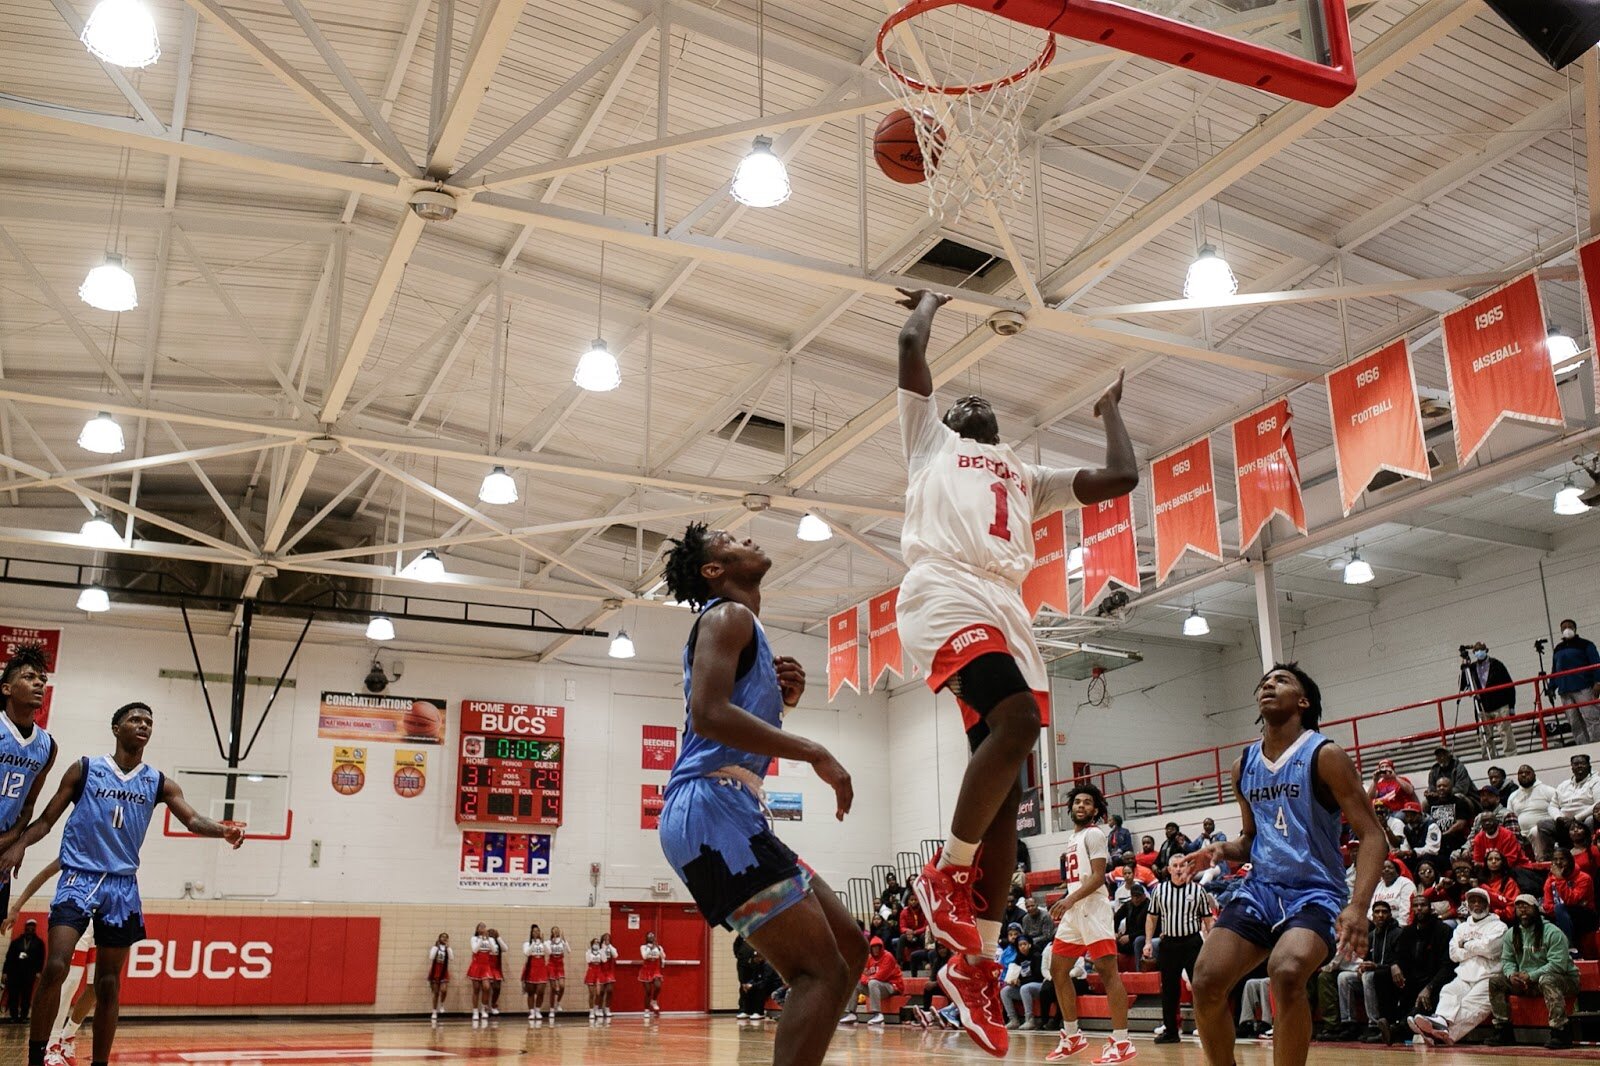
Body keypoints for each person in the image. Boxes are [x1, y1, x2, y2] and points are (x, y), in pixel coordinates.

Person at [892, 288, 1136, 1061]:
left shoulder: (1026, 474)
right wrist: (929, 302)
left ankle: (977, 966)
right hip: (943, 586)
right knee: (1021, 725)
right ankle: (944, 876)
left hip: (1007, 609)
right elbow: (907, 349)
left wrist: (1109, 414)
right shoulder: (928, 441)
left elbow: (1122, 478)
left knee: (1011, 793)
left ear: (1001, 429)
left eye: (982, 402)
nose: (969, 401)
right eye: (961, 399)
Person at [654, 523, 864, 1066]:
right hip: (710, 809)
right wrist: (814, 750)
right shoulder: (728, 615)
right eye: (728, 539)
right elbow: (708, 714)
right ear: (713, 571)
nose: (746, 537)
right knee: (820, 971)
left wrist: (781, 703)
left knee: (848, 949)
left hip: (727, 808)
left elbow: (725, 722)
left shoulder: (745, 629)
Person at [0, 701, 244, 1066]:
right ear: (117, 728)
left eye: (149, 721)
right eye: (135, 719)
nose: (143, 725)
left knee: (108, 984)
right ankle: (38, 1056)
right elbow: (48, 820)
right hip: (78, 880)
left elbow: (192, 820)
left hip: (121, 887)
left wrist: (222, 831)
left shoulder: (158, 781)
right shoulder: (85, 769)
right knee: (55, 966)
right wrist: (19, 844)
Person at [1173, 663, 1386, 1066]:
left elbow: (1374, 834)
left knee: (1286, 972)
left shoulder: (1325, 755)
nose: (1268, 684)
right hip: (1262, 888)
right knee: (1205, 979)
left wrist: (1358, 906)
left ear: (1303, 701)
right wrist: (1223, 850)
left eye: (1281, 680)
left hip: (1315, 891)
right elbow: (1253, 839)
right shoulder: (1243, 765)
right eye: (1264, 682)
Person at [1045, 784, 1136, 1064]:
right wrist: (1068, 900)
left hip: (1093, 908)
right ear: (1071, 808)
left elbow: (1098, 877)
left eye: (1087, 803)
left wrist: (1069, 900)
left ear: (1096, 810)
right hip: (1076, 910)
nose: (1081, 806)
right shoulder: (1073, 837)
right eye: (1077, 802)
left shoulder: (1095, 834)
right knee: (1057, 970)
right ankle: (1072, 1036)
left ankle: (1122, 1042)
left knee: (1108, 973)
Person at [3, 859, 95, 1065]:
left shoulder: (118, 847)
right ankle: (52, 1044)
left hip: (106, 913)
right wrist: (17, 907)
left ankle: (68, 1035)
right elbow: (45, 873)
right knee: (68, 982)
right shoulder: (78, 848)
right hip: (78, 911)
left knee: (97, 986)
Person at [0, 648, 59, 919]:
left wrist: (15, 840)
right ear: (7, 689)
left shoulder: (47, 746)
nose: (39, 683)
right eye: (29, 677)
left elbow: (29, 803)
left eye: (42, 679)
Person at [1408, 887, 1506, 1045]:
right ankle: (1439, 1023)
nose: (1476, 905)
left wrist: (1465, 944)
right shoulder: (1461, 928)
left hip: (1488, 976)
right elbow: (1454, 954)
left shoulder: (1499, 927)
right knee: (1449, 991)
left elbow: (1489, 949)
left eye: (1480, 901)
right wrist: (1476, 948)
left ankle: (1439, 1036)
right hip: (1464, 975)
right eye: (1472, 901)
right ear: (1467, 905)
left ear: (1488, 904)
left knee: (1471, 1006)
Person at [1485, 895, 1581, 1048]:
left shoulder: (1552, 932)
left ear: (1536, 909)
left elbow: (1558, 965)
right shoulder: (1511, 934)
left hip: (1564, 980)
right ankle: (1503, 1030)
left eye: (1527, 906)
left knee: (1547, 980)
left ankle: (1560, 1031)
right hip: (1527, 982)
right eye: (1518, 906)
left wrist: (1531, 975)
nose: (1522, 910)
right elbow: (1507, 960)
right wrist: (1511, 975)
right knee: (1496, 982)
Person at [1144, 867, 1216, 1045]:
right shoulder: (1159, 890)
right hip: (1169, 944)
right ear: (1168, 869)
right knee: (1169, 990)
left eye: (1181, 866)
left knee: (1199, 988)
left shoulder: (1198, 890)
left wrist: (1213, 944)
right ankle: (1171, 1031)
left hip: (1192, 943)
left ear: (1187, 869)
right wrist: (1147, 942)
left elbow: (1208, 919)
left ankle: (1207, 1029)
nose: (1178, 869)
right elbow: (1152, 917)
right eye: (1174, 866)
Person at [1369, 902, 1453, 1045]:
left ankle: (1395, 1031)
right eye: (1416, 905)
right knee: (1381, 975)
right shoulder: (1408, 931)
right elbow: (1398, 955)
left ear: (1430, 908)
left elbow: (1447, 966)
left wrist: (1429, 987)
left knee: (1423, 999)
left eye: (1423, 905)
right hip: (1412, 980)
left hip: (1434, 981)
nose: (1419, 908)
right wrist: (1395, 965)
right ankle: (1386, 1023)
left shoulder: (1443, 930)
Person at [1352, 901, 1403, 1043]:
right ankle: (1347, 1023)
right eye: (1377, 912)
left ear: (1390, 915)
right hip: (1375, 973)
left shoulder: (1398, 933)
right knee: (1344, 978)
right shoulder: (1371, 935)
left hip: (1389, 976)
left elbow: (1398, 964)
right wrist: (1361, 967)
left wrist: (1375, 966)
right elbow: (1366, 959)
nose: (1380, 915)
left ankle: (1374, 1025)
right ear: (1372, 915)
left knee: (1368, 977)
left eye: (1384, 912)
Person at [1547, 619, 1600, 745]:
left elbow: (1596, 663)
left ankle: (1597, 743)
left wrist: (1598, 682)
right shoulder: (1558, 649)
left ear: (1575, 629)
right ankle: (1582, 746)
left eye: (1569, 626)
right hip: (1565, 691)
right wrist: (1551, 686)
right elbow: (1555, 669)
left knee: (1591, 717)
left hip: (1584, 688)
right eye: (1564, 627)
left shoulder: (1586, 644)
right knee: (1574, 722)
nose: (1567, 628)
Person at [1461, 644, 1517, 757]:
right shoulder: (1471, 668)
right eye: (1476, 650)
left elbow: (1509, 685)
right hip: (1482, 707)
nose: (1479, 652)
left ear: (1486, 650)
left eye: (1481, 649)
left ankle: (1511, 756)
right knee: (1485, 735)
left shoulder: (1497, 664)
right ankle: (1489, 757)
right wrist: (1463, 668)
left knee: (1505, 733)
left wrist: (1511, 706)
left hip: (1500, 705)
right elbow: (1463, 686)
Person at [1538, 753, 1599, 854]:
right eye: (1575, 764)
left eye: (1582, 763)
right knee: (1543, 824)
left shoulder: (1596, 781)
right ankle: (1551, 857)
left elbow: (1598, 803)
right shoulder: (1563, 785)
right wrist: (1558, 817)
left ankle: (1589, 854)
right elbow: (1553, 805)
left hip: (1583, 819)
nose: (1579, 766)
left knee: (1590, 820)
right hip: (1563, 821)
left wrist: (1576, 818)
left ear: (1589, 766)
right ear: (1571, 768)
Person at [1542, 848, 1597, 945]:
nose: (1558, 862)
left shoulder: (1584, 878)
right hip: (1559, 915)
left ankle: (1569, 945)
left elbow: (1572, 901)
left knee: (1560, 908)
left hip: (1584, 915)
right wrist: (1557, 910)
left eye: (1562, 859)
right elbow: (1547, 906)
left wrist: (1560, 880)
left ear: (1570, 861)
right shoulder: (1550, 880)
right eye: (1555, 859)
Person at [1508, 764, 1561, 861]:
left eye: (1527, 773)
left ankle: (1542, 862)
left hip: (1544, 831)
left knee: (1535, 831)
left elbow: (1558, 810)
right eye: (1520, 773)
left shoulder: (1547, 790)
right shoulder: (1513, 796)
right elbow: (1510, 817)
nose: (1524, 775)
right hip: (1522, 833)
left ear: (1534, 775)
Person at [1000, 934, 1044, 1031]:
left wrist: (1021, 982)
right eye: (1020, 945)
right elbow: (1015, 975)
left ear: (1030, 945)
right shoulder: (1018, 958)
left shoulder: (1036, 956)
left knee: (1025, 988)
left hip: (1038, 986)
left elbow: (1039, 976)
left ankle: (1030, 1019)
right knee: (1005, 991)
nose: (1022, 947)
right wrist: (1012, 981)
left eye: (1024, 944)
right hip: (1025, 988)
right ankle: (1013, 1020)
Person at [4, 918, 44, 1021]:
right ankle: (14, 1016)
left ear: (35, 928)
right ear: (25, 927)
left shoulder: (39, 943)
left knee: (26, 995)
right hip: (14, 973)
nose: (30, 928)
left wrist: (39, 971)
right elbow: (9, 958)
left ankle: (23, 1016)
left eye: (32, 926)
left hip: (29, 973)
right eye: (29, 926)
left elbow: (41, 958)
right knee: (14, 995)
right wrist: (5, 972)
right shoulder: (16, 942)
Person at [1369, 860, 1416, 927]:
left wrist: (1397, 927)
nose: (1386, 870)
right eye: (1383, 868)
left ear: (1397, 871)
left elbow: (1406, 913)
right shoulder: (1378, 886)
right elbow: (1370, 909)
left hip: (1398, 927)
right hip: (1377, 925)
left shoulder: (1406, 884)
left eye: (1390, 867)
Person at [466, 922, 495, 1021]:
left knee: (486, 987)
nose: (483, 928)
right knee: (476, 989)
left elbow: (494, 950)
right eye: (481, 927)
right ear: (477, 929)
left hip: (486, 966)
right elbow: (475, 950)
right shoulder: (474, 939)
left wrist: (488, 939)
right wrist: (482, 938)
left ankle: (483, 1009)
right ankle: (475, 1011)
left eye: (484, 926)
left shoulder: (490, 939)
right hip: (476, 965)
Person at [522, 924, 548, 1024]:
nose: (536, 933)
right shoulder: (527, 943)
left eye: (538, 931)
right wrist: (533, 943)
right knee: (531, 992)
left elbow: (548, 952)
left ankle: (538, 1010)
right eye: (534, 931)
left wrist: (542, 942)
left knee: (540, 991)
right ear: (531, 933)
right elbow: (527, 953)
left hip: (541, 968)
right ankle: (531, 1011)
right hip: (531, 968)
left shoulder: (543, 943)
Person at [545, 925, 568, 1022]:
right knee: (553, 988)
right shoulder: (548, 942)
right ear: (551, 932)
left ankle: (557, 1003)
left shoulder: (562, 942)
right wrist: (552, 942)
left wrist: (565, 940)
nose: (556, 931)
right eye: (554, 930)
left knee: (562, 986)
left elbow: (569, 951)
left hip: (560, 965)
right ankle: (551, 1010)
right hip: (551, 965)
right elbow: (549, 952)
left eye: (557, 930)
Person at [427, 932, 453, 1021]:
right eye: (442, 937)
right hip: (435, 971)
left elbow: (451, 958)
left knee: (444, 990)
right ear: (439, 938)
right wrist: (436, 948)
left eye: (446, 937)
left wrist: (448, 947)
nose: (444, 938)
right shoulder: (435, 947)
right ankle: (434, 1011)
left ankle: (442, 1003)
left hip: (444, 971)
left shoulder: (447, 948)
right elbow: (431, 957)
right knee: (436, 992)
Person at [639, 931, 665, 1014]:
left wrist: (658, 948)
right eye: (649, 936)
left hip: (655, 970)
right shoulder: (643, 947)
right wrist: (650, 948)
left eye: (652, 935)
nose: (651, 937)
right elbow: (644, 956)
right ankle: (646, 1010)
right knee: (648, 991)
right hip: (646, 970)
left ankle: (654, 1001)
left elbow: (663, 956)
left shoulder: (659, 947)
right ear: (646, 937)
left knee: (658, 986)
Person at [485, 927, 507, 1016]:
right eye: (490, 932)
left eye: (494, 932)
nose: (492, 933)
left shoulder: (498, 943)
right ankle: (485, 1007)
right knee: (486, 988)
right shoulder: (485, 942)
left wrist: (498, 937)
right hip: (486, 967)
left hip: (496, 968)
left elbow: (505, 948)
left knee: (497, 988)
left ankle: (494, 1005)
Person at [583, 938, 604, 1020]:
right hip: (591, 971)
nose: (596, 944)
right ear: (592, 944)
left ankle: (596, 1008)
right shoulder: (588, 952)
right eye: (595, 943)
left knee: (598, 992)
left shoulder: (601, 952)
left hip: (598, 972)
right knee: (592, 993)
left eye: (598, 943)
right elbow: (588, 960)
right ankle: (591, 1011)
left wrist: (602, 951)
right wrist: (589, 952)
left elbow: (604, 960)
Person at [597, 932, 617, 1017]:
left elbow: (615, 955)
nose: (607, 940)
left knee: (610, 990)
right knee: (601, 991)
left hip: (609, 971)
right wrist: (603, 948)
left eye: (608, 938)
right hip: (601, 970)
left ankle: (607, 1008)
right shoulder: (599, 948)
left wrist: (609, 946)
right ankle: (599, 1009)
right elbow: (603, 960)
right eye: (605, 938)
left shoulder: (611, 948)